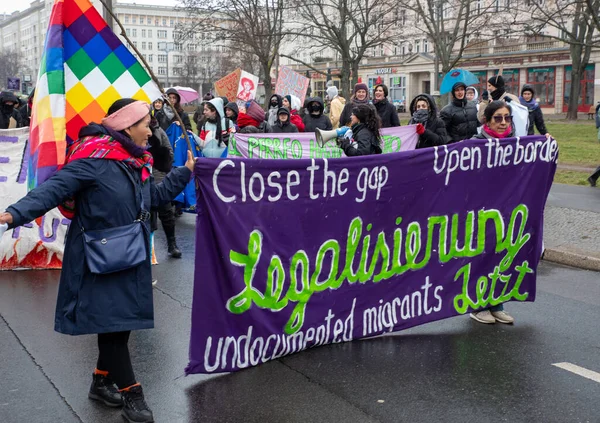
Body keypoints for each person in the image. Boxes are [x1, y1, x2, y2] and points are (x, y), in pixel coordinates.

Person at [0, 98, 195, 423]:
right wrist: (13, 214)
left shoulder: (136, 162)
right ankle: (133, 395)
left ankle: (101, 380)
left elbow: (155, 198)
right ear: (128, 126)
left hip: (130, 257)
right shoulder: (93, 158)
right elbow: (52, 190)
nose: (150, 131)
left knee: (121, 325)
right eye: (146, 124)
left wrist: (184, 173)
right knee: (114, 326)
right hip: (99, 259)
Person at [147, 115, 181, 259]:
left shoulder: (158, 130)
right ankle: (148, 249)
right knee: (147, 215)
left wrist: (161, 159)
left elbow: (169, 151)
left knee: (166, 212)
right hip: (142, 176)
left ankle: (172, 244)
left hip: (159, 175)